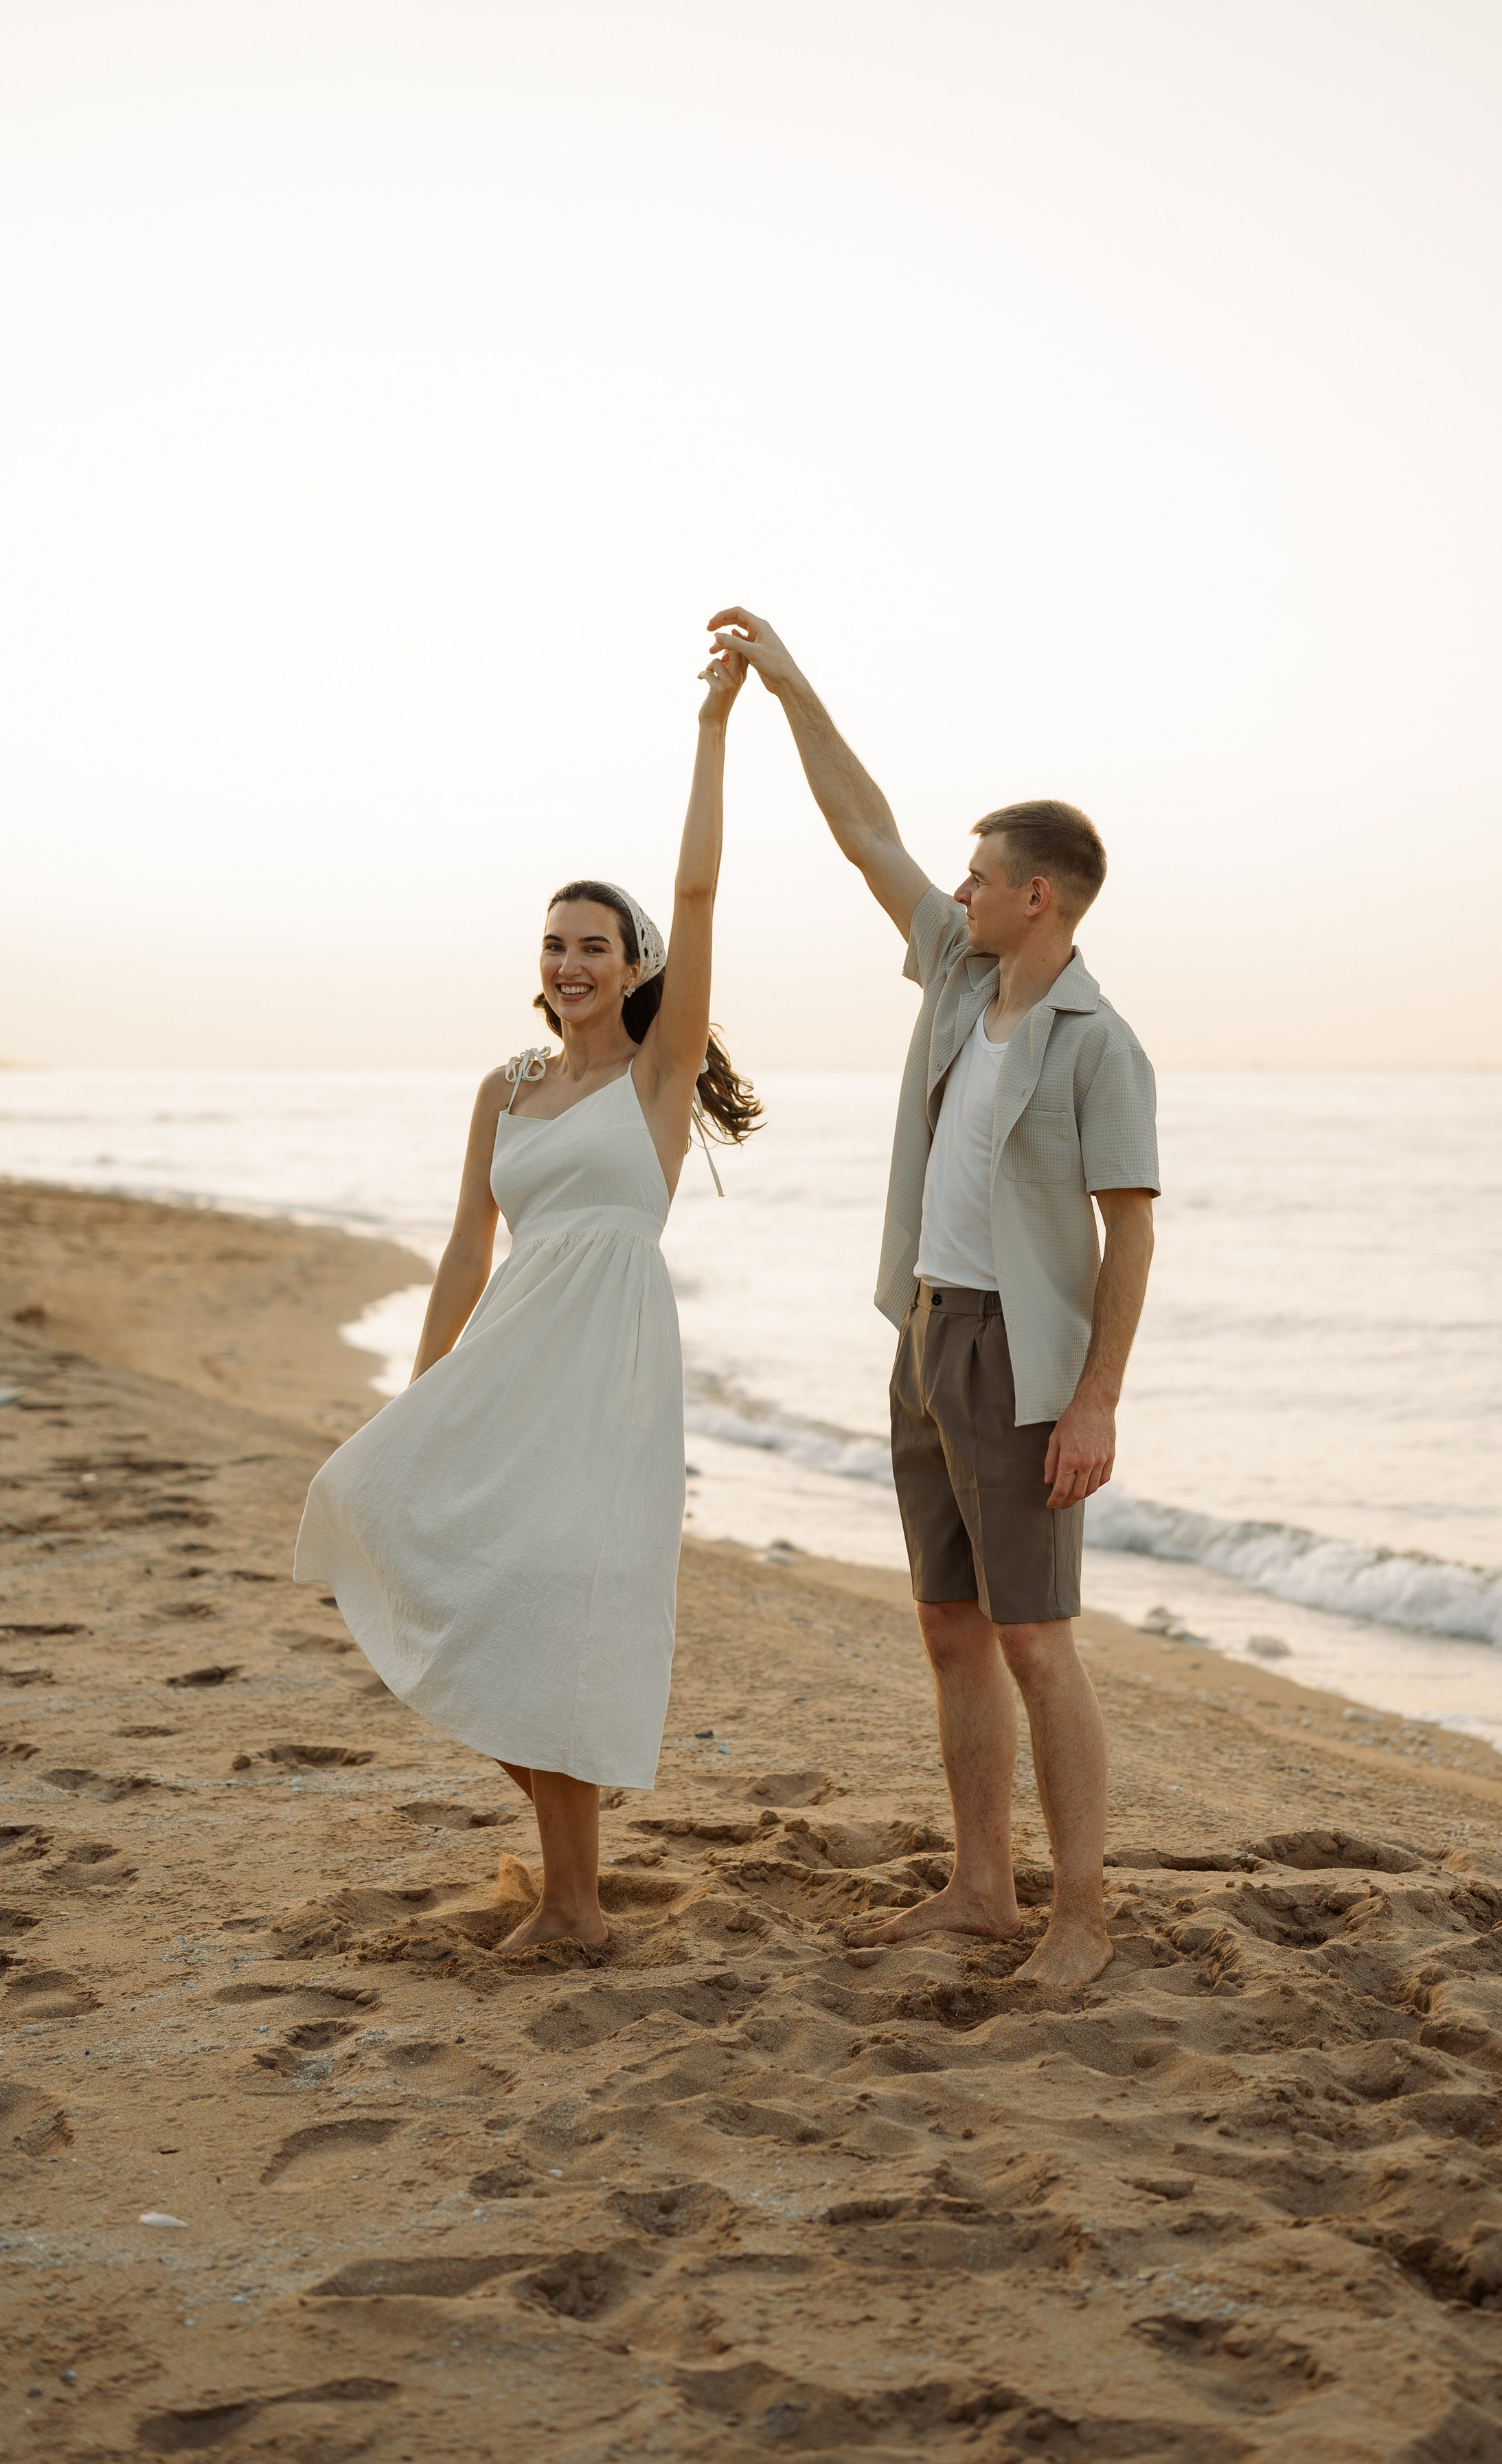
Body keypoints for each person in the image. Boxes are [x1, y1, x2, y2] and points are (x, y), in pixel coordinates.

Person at [706, 607, 1157, 1988]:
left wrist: (1095, 1400)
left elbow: (1127, 1233)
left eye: (979, 879)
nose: (955, 891)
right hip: (926, 1329)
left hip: (1025, 1359)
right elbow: (865, 831)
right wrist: (786, 685)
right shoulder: (959, 976)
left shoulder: (1099, 1044)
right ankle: (981, 1887)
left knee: (1035, 1637)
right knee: (948, 1623)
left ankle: (1077, 1913)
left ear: (1042, 896)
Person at [293, 644, 760, 1951]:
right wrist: (421, 1387)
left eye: (593, 947)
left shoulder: (658, 1077)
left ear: (631, 966)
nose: (569, 963)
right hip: (506, 1357)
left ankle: (574, 1903)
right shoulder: (505, 1088)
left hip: (607, 1366)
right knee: (390, 1515)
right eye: (554, 945)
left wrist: (716, 727)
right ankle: (573, 1892)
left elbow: (701, 884)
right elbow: (461, 1246)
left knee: (562, 1602)